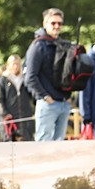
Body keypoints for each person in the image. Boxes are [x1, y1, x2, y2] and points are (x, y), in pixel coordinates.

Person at [24, 8, 74, 141]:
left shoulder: (63, 45)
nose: (57, 26)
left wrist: (68, 96)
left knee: (59, 144)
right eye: (53, 23)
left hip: (63, 103)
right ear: (45, 23)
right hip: (48, 104)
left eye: (60, 23)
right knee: (43, 143)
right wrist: (45, 96)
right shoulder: (38, 46)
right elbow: (30, 77)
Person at [0, 54, 35, 142]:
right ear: (8, 65)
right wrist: (4, 113)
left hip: (24, 119)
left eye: (18, 64)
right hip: (9, 119)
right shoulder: (3, 80)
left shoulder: (25, 79)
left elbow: (32, 95)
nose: (15, 66)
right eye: (13, 64)